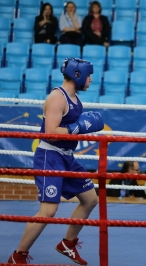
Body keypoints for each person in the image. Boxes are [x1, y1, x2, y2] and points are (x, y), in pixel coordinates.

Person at [8, 58, 104, 265]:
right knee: (48, 210)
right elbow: (50, 133)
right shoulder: (57, 97)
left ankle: (67, 243)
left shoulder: (75, 99)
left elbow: (71, 128)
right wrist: (78, 128)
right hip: (50, 157)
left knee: (90, 199)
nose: (91, 80)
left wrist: (80, 127)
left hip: (67, 157)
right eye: (89, 75)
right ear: (78, 75)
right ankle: (18, 256)